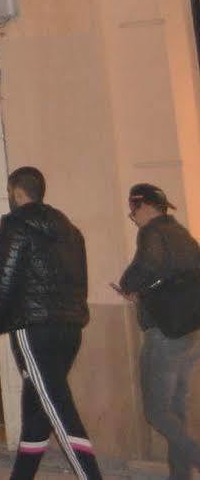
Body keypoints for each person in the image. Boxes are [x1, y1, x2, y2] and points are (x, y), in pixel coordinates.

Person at [0, 165, 103, 480]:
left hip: (34, 331)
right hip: (70, 330)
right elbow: (80, 282)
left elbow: (3, 281)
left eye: (9, 193)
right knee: (37, 411)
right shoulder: (70, 229)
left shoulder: (15, 224)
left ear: (17, 192)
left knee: (59, 410)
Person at [120, 183, 200, 480]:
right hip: (190, 333)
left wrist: (129, 285)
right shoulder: (180, 233)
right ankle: (180, 476)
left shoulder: (152, 232)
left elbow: (146, 266)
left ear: (142, 205)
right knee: (176, 412)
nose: (134, 217)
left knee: (157, 412)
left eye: (133, 210)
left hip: (165, 334)